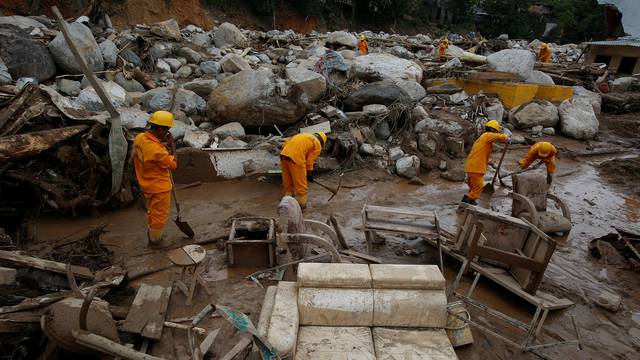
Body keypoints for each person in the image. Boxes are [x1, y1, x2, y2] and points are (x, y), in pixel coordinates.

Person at [134, 111, 177, 245]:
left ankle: (151, 233)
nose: (167, 133)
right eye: (166, 130)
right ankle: (155, 242)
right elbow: (173, 164)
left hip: (146, 184)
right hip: (160, 188)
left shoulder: (140, 138)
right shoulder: (158, 151)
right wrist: (172, 146)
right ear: (160, 128)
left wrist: (162, 144)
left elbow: (151, 154)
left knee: (152, 212)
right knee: (160, 217)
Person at [462, 120, 509, 205]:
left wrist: (492, 164)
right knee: (479, 187)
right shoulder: (488, 135)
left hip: (472, 167)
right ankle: (464, 205)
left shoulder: (483, 139)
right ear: (493, 130)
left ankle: (471, 201)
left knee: (474, 188)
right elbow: (500, 137)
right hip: (476, 168)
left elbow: (482, 155)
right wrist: (507, 136)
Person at [280, 132, 327, 209]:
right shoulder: (317, 143)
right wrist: (309, 174)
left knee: (288, 182)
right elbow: (310, 161)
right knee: (301, 185)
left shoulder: (302, 135)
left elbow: (284, 144)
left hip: (284, 156)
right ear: (322, 142)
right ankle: (302, 205)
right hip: (296, 159)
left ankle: (287, 202)